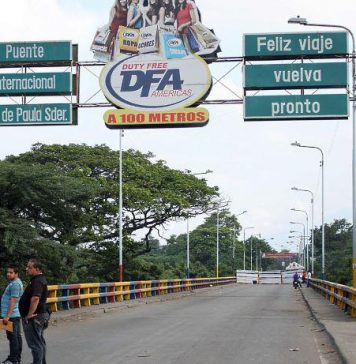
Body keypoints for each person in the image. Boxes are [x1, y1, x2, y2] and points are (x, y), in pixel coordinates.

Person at [19, 259, 49, 364]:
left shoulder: (38, 281)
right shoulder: (37, 279)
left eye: (29, 267)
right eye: (27, 266)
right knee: (39, 342)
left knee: (35, 344)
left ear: (37, 269)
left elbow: (35, 298)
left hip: (35, 317)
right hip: (39, 315)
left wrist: (29, 315)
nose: (26, 269)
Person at [1, 265, 23, 364]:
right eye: (8, 272)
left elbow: (13, 301)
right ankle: (16, 358)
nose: (8, 274)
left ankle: (13, 359)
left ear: (16, 273)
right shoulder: (15, 283)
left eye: (11, 272)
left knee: (13, 338)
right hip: (14, 315)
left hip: (12, 316)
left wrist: (7, 316)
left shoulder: (15, 284)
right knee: (16, 337)